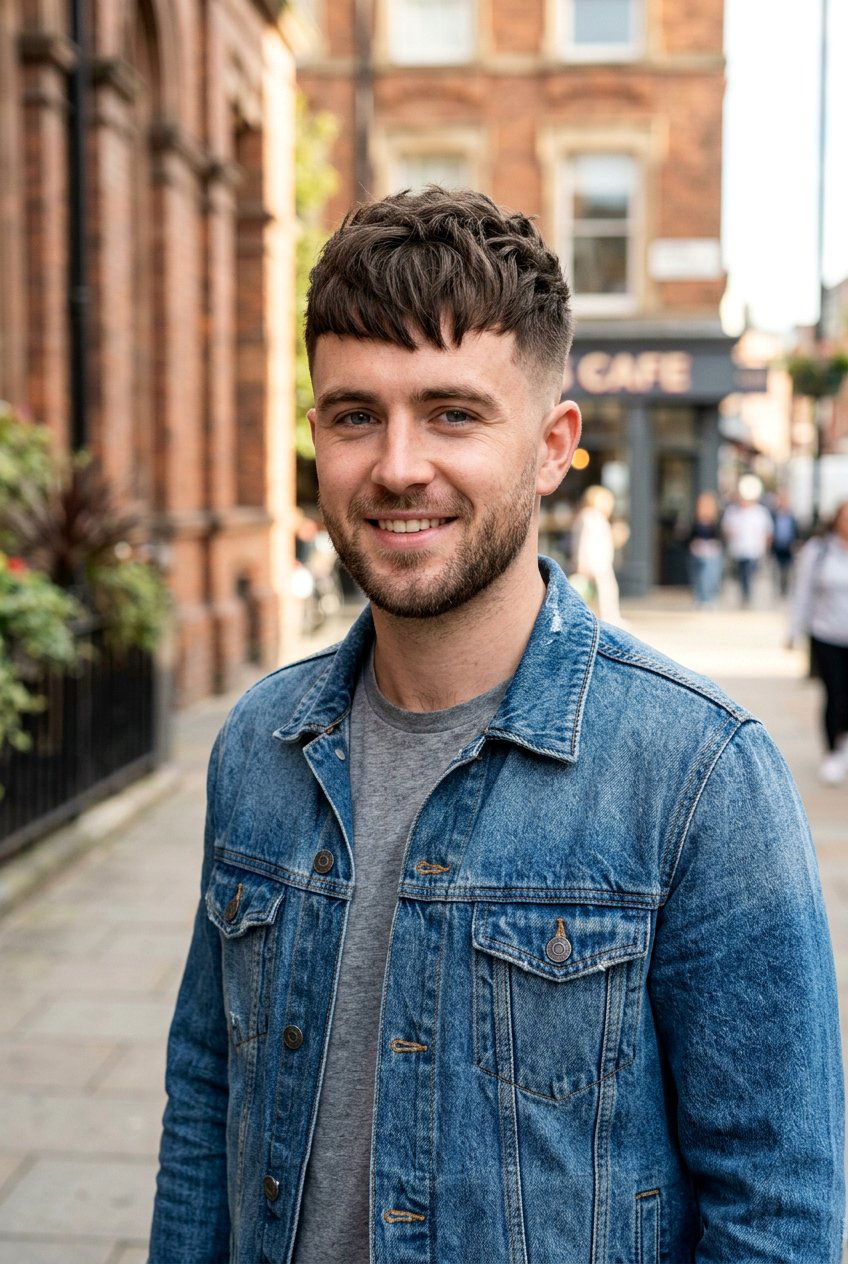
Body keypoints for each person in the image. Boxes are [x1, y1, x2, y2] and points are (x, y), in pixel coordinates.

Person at [149, 189, 844, 1263]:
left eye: (452, 413)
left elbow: (777, 1212)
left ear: (551, 444)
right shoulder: (259, 743)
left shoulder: (698, 774)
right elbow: (206, 1104)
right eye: (352, 414)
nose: (395, 465)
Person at [789, 500, 848, 786]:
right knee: (834, 693)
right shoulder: (820, 551)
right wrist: (794, 630)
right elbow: (802, 593)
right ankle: (832, 750)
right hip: (827, 635)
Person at [569, 484, 622, 623]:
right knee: (605, 589)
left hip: (600, 560)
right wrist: (581, 561)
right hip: (594, 560)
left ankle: (606, 618)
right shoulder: (589, 516)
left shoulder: (596, 517)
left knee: (605, 589)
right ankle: (609, 618)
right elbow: (582, 540)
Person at [721, 475, 773, 606]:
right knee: (741, 575)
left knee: (749, 575)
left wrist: (765, 550)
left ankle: (747, 596)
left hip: (754, 551)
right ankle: (745, 595)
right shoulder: (732, 511)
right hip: (738, 550)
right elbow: (726, 529)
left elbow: (767, 533)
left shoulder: (761, 512)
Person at [687, 490, 723, 607]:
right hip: (697, 551)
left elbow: (720, 537)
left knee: (710, 575)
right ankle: (700, 598)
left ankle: (709, 598)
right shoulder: (694, 519)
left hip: (711, 552)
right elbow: (689, 536)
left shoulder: (717, 520)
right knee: (698, 576)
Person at [771, 490, 799, 597]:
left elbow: (796, 530)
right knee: (776, 570)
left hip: (788, 546)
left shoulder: (792, 516)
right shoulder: (774, 515)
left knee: (787, 570)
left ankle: (785, 590)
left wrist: (795, 542)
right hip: (777, 546)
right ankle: (778, 589)